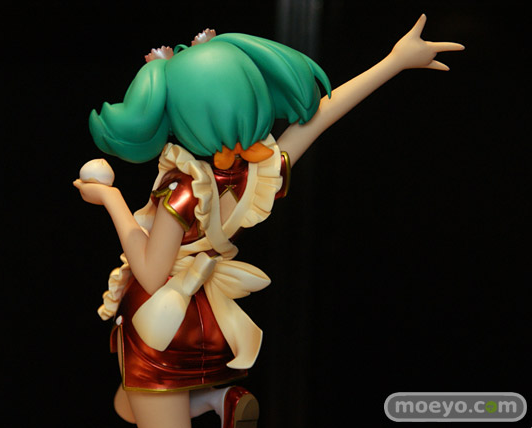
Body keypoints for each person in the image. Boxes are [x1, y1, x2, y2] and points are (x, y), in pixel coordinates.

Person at [74, 17, 463, 428]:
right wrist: (394, 61)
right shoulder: (253, 176)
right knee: (127, 405)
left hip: (160, 321)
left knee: (148, 409)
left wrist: (111, 199)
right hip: (204, 315)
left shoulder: (184, 190)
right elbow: (321, 117)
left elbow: (151, 273)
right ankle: (215, 399)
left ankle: (213, 399)